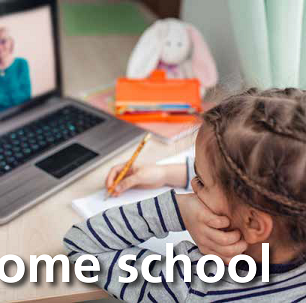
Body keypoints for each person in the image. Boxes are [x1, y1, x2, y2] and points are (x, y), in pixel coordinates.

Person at [63, 88, 306, 302]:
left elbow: (82, 247)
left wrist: (177, 210)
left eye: (200, 181)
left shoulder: (191, 285)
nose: (192, 184)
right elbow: (248, 178)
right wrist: (166, 173)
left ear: (254, 223)